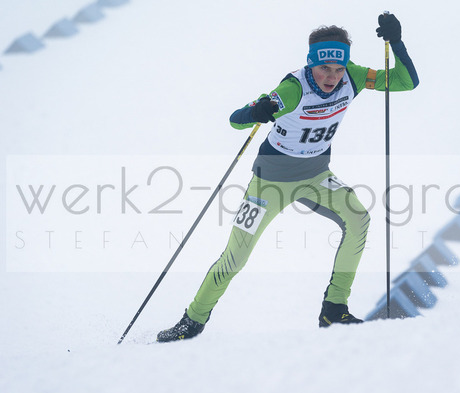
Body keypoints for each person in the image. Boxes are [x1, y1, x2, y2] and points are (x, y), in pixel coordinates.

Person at [157, 13, 419, 342]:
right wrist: (257, 110)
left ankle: (334, 309)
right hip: (269, 183)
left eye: (338, 69)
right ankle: (192, 321)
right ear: (311, 63)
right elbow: (236, 120)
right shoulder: (293, 89)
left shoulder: (353, 76)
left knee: (359, 219)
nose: (332, 77)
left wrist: (396, 43)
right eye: (324, 68)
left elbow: (405, 82)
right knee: (236, 256)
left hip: (316, 176)